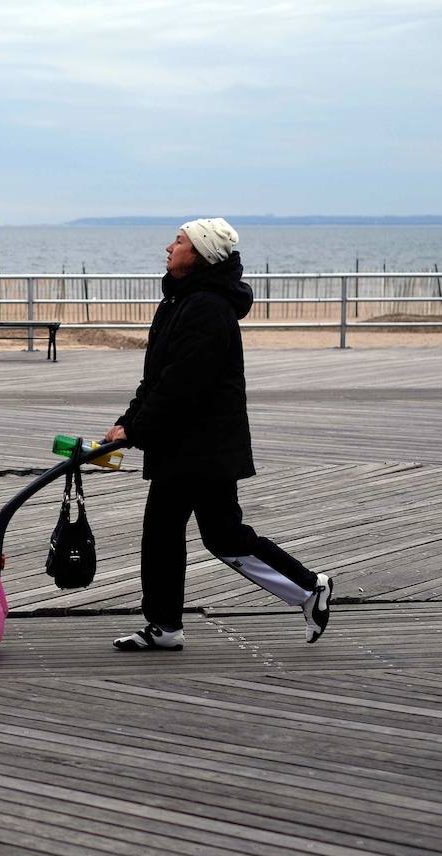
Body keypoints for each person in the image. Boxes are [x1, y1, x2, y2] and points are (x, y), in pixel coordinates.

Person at [104, 218, 333, 651]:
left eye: (179, 241)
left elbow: (181, 385)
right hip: (187, 444)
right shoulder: (181, 300)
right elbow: (156, 379)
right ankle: (170, 624)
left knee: (190, 534)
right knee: (200, 535)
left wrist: (135, 428)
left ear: (203, 254)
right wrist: (129, 420)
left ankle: (307, 589)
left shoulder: (206, 307)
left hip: (202, 447)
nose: (169, 247)